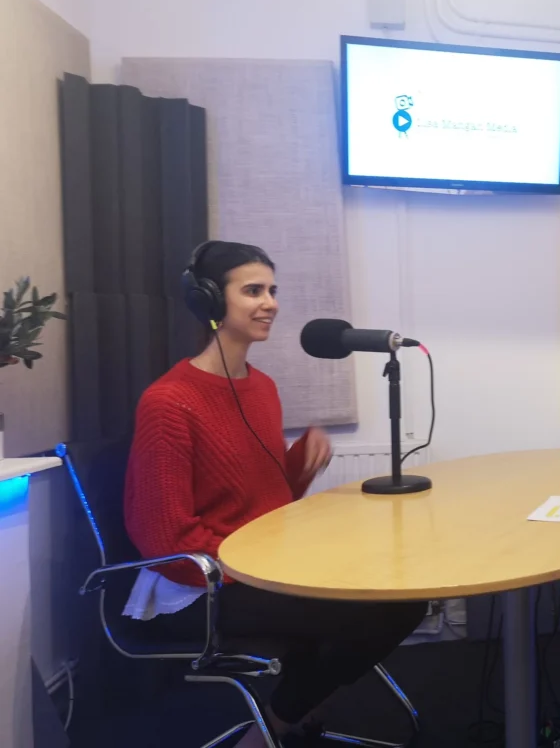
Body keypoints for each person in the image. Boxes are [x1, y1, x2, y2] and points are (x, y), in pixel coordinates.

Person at [123, 241, 426, 747]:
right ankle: (277, 726)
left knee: (401, 589)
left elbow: (263, 499)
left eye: (272, 290)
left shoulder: (261, 387)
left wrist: (299, 465)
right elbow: (166, 540)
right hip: (200, 585)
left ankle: (295, 711)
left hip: (256, 566)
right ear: (209, 300)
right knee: (381, 609)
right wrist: (263, 571)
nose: (270, 303)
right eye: (253, 291)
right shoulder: (169, 402)